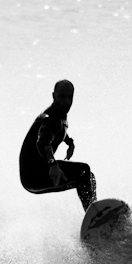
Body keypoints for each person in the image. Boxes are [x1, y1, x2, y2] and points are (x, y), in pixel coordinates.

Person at [19, 79, 97, 211]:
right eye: (62, 96)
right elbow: (42, 142)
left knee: (88, 177)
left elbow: (58, 133)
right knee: (83, 171)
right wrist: (53, 164)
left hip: (34, 175)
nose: (66, 101)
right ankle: (94, 216)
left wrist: (69, 142)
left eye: (69, 97)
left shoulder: (58, 116)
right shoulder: (51, 119)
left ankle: (95, 214)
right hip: (35, 175)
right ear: (53, 96)